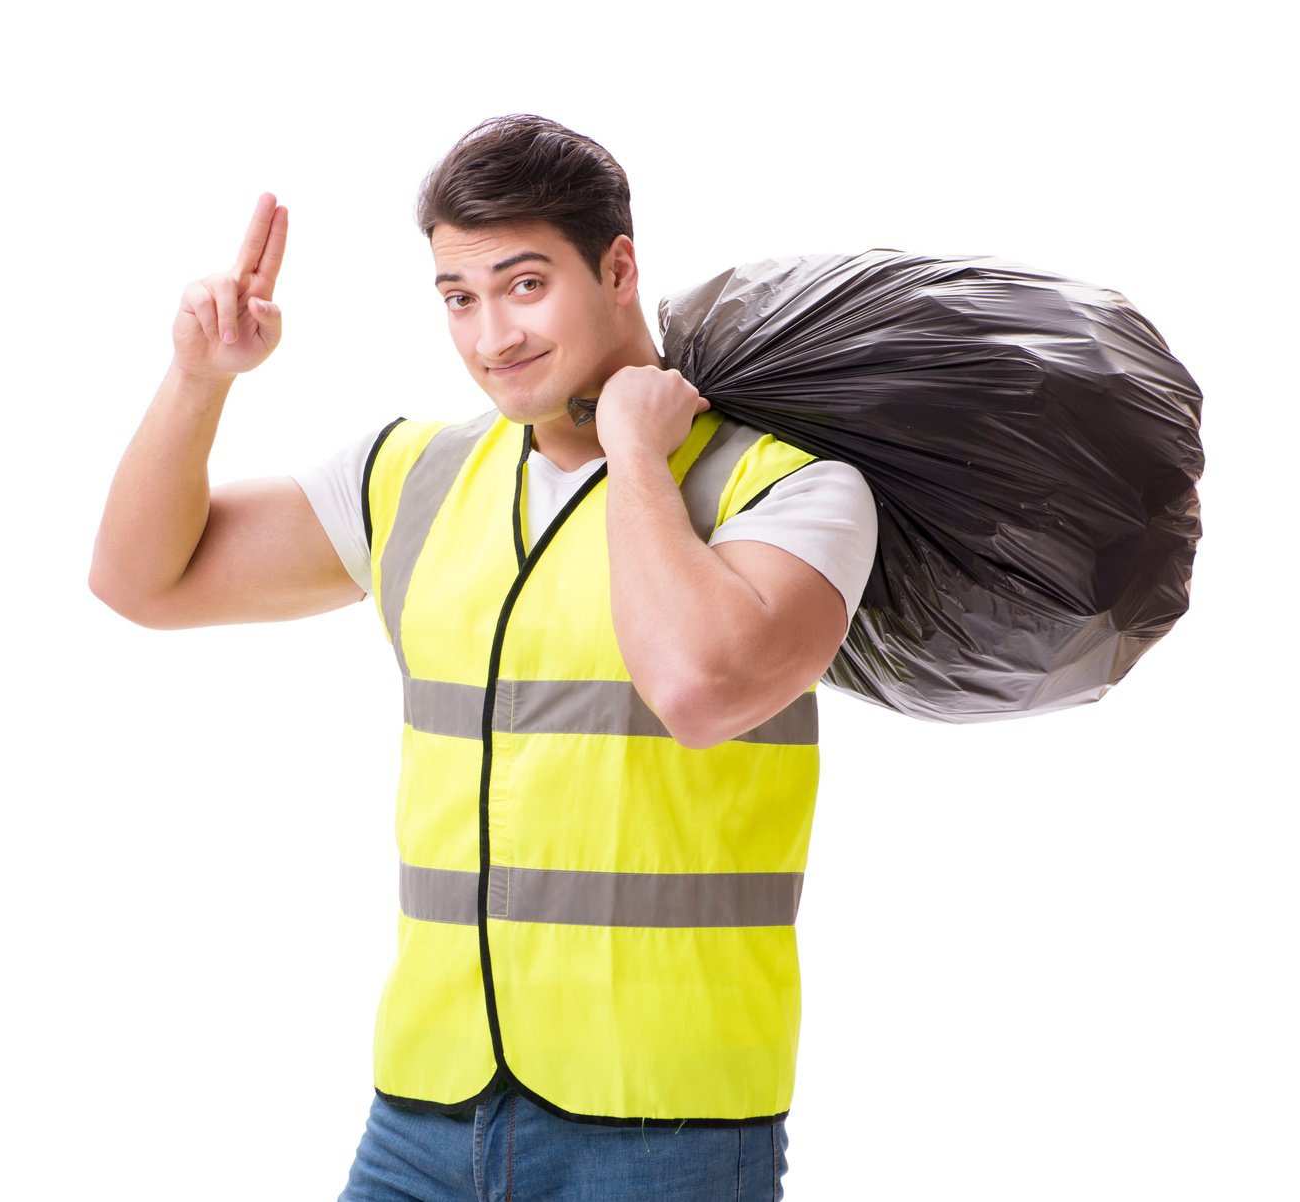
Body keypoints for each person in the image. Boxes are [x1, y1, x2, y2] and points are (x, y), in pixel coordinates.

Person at [89, 114, 878, 1201]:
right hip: (425, 1109)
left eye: (522, 284)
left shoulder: (787, 489)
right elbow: (142, 580)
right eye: (457, 297)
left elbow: (701, 686)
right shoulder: (413, 472)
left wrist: (635, 457)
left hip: (663, 1125)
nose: (490, 336)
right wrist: (197, 380)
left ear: (617, 268)